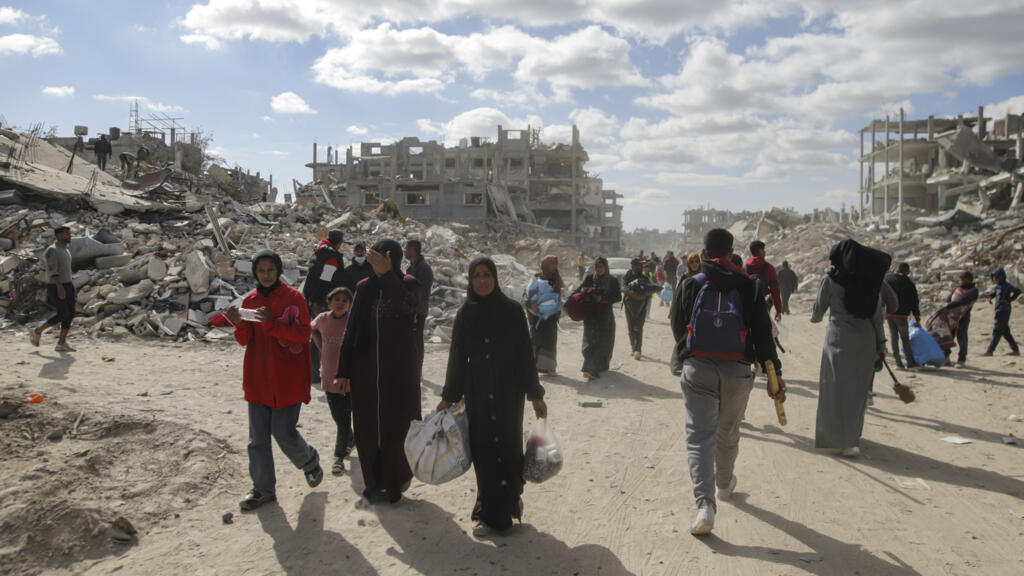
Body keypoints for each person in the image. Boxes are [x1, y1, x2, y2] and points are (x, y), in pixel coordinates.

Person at [669, 228, 784, 535]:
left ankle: (705, 505)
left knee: (699, 435)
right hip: (737, 369)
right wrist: (774, 370)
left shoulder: (690, 283)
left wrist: (690, 353)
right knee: (728, 431)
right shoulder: (751, 286)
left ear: (703, 253)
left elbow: (678, 325)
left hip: (698, 367)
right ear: (733, 251)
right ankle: (724, 484)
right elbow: (763, 334)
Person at [437, 257, 548, 537]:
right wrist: (449, 395)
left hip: (509, 391)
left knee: (509, 448)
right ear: (471, 281)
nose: (482, 280)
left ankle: (511, 499)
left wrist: (536, 395)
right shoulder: (466, 313)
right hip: (477, 390)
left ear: (495, 278)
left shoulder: (512, 311)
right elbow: (458, 358)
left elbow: (525, 355)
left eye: (487, 274)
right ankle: (489, 513)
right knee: (484, 450)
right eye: (476, 276)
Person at [226, 250, 323, 511]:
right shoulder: (251, 300)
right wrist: (238, 324)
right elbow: (245, 340)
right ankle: (263, 489)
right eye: (261, 271)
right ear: (255, 273)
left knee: (283, 431)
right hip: (258, 379)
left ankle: (309, 460)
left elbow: (303, 335)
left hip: (288, 379)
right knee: (257, 438)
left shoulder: (294, 298)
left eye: (270, 270)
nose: (266, 275)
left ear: (278, 271)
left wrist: (271, 324)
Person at [337, 239, 421, 504]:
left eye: (382, 258)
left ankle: (398, 480)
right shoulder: (364, 287)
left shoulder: (409, 284)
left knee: (397, 424)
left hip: (399, 371)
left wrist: (387, 275)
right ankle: (373, 482)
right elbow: (352, 330)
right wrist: (343, 370)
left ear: (392, 258)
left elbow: (407, 307)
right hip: (366, 372)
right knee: (367, 426)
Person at [810, 239, 890, 458]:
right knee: (857, 392)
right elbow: (876, 318)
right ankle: (852, 442)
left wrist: (815, 316)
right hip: (865, 342)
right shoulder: (869, 284)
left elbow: (817, 313)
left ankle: (834, 437)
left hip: (838, 340)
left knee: (834, 390)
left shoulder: (830, 280)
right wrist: (881, 345)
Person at [311, 287, 355, 475]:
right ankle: (351, 439)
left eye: (344, 301)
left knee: (344, 419)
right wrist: (321, 345)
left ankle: (338, 457)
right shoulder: (322, 319)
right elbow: (312, 329)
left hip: (348, 379)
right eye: (337, 299)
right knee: (338, 417)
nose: (340, 303)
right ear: (330, 302)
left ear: (349, 305)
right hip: (328, 376)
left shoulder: (352, 321)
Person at [302, 230, 347, 384]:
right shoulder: (331, 258)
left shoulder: (320, 252)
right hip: (323, 302)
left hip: (314, 299)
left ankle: (313, 372)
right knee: (323, 337)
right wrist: (329, 301)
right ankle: (318, 373)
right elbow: (325, 281)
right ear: (340, 242)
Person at [29, 226, 76, 352]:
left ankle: (61, 343)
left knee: (70, 314)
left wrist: (72, 287)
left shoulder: (65, 250)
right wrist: (60, 287)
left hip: (67, 285)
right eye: (67, 234)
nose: (70, 236)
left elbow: (67, 271)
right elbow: (52, 270)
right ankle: (37, 331)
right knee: (62, 314)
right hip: (56, 286)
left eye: (69, 233)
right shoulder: (52, 250)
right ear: (59, 235)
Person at [579, 256, 621, 380]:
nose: (598, 269)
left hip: (605, 316)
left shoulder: (612, 280)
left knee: (603, 342)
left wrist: (603, 299)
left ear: (605, 267)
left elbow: (618, 297)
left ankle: (600, 366)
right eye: (596, 266)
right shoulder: (589, 278)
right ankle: (590, 369)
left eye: (601, 266)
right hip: (590, 316)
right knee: (590, 342)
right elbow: (579, 290)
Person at [526, 255, 564, 374]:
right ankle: (533, 366)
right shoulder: (536, 278)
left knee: (550, 341)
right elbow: (527, 295)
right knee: (536, 340)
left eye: (555, 264)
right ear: (545, 264)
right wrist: (532, 307)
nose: (554, 266)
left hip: (551, 316)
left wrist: (554, 307)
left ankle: (549, 367)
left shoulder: (556, 278)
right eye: (552, 263)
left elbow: (559, 296)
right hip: (537, 315)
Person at [884, 263, 920, 369]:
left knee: (893, 337)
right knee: (905, 338)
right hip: (902, 315)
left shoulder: (887, 279)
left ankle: (898, 363)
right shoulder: (908, 282)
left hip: (889, 313)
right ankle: (910, 362)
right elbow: (914, 301)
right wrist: (917, 316)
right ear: (906, 271)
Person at [405, 239, 434, 373]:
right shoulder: (411, 268)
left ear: (413, 249)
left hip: (418, 311)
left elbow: (422, 293)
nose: (405, 251)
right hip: (410, 310)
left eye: (406, 248)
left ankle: (418, 368)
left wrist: (415, 312)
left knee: (417, 340)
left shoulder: (423, 268)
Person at [981, 268, 1021, 356]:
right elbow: (995, 293)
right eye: (994, 278)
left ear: (1001, 277)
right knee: (1005, 332)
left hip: (1004, 310)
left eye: (996, 278)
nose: (995, 279)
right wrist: (991, 297)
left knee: (997, 331)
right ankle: (1015, 350)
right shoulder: (998, 286)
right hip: (998, 310)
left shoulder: (1007, 286)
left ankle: (990, 351)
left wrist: (1009, 300)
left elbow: (1018, 291)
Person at [944, 271, 979, 366]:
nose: (960, 281)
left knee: (962, 337)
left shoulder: (973, 291)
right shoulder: (959, 288)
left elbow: (963, 300)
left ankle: (961, 359)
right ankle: (946, 357)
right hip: (952, 316)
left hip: (963, 317)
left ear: (967, 280)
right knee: (948, 336)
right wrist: (947, 303)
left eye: (962, 279)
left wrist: (949, 305)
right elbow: (950, 297)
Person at [744, 240, 783, 321]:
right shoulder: (769, 268)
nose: (765, 252)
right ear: (760, 251)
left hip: (748, 303)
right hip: (764, 303)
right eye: (764, 250)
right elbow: (775, 290)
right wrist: (778, 310)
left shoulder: (745, 267)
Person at [623, 258, 650, 360]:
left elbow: (649, 290)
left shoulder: (644, 277)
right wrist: (631, 293)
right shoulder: (627, 276)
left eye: (640, 265)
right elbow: (624, 287)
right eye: (638, 265)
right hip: (629, 305)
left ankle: (638, 349)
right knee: (631, 328)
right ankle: (633, 347)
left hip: (641, 306)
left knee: (639, 327)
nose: (640, 267)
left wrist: (643, 296)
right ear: (633, 266)